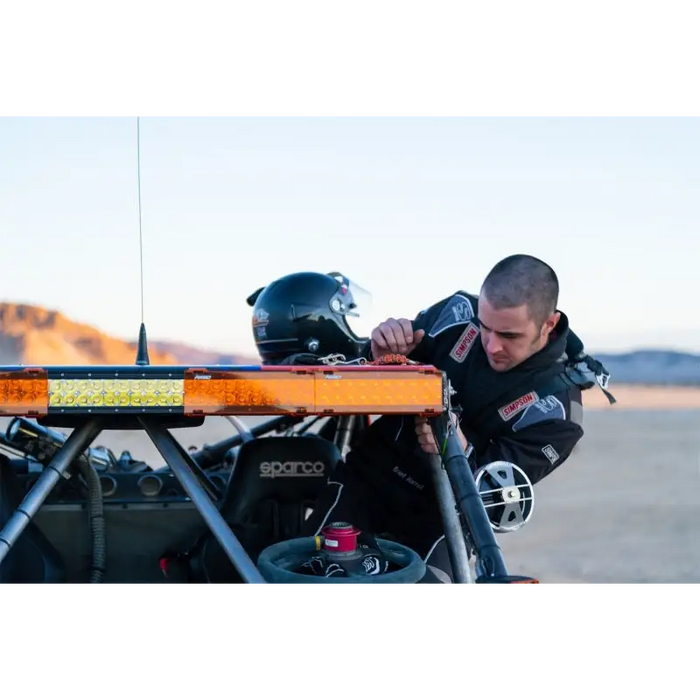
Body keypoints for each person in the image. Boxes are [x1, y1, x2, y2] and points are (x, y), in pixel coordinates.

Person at [300, 254, 615, 584]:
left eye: (509, 336)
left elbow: (495, 500)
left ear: (548, 325)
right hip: (368, 482)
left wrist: (458, 447)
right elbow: (361, 372)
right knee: (307, 576)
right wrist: (378, 355)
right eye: (485, 328)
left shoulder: (557, 414)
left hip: (442, 516)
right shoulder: (456, 313)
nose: (492, 346)